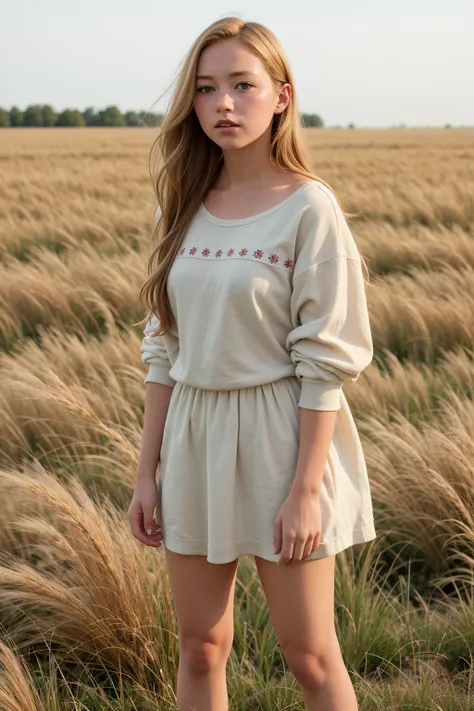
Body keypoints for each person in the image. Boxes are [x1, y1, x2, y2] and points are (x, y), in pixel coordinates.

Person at [127, 15, 376, 711]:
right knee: (200, 645)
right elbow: (162, 349)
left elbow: (325, 359)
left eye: (243, 84)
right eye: (206, 89)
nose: (224, 104)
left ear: (282, 97)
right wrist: (146, 472)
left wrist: (303, 490)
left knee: (309, 653)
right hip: (195, 434)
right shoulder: (180, 207)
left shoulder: (309, 208)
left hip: (281, 435)